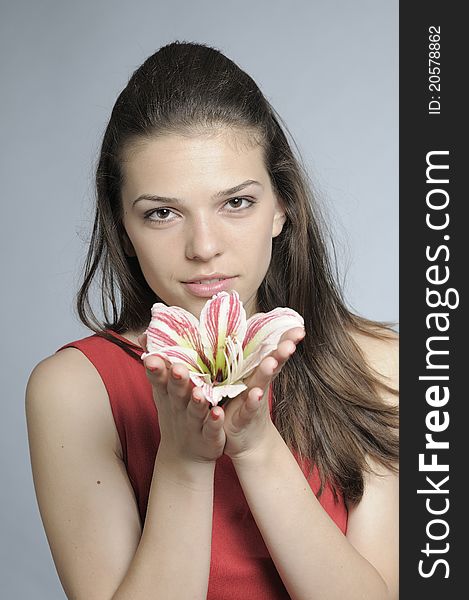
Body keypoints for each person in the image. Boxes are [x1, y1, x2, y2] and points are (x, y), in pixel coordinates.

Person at [25, 40, 399, 600]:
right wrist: (184, 462)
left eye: (236, 203)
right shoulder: (75, 391)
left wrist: (256, 447)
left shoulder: (378, 365)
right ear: (123, 228)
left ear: (281, 206)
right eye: (162, 213)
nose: (204, 246)